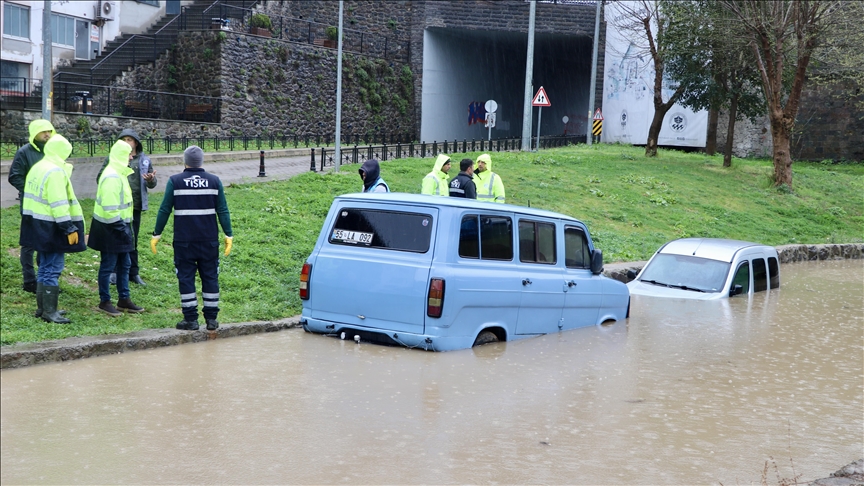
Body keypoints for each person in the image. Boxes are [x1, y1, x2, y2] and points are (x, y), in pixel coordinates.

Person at [150, 146, 233, 331]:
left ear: (185, 161)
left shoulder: (175, 181)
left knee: (186, 278)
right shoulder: (214, 181)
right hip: (209, 240)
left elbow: (165, 209)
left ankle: (191, 320)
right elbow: (223, 210)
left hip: (184, 241)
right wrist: (228, 234)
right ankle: (211, 320)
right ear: (201, 161)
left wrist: (157, 233)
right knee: (210, 277)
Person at [19, 134, 87, 323]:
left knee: (44, 267)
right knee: (52, 268)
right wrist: (68, 227)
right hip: (52, 226)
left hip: (36, 224)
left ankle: (43, 308)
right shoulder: (55, 171)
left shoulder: (38, 167)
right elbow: (58, 203)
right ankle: (50, 311)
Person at [88, 140, 145, 316]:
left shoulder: (119, 173)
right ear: (121, 155)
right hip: (111, 228)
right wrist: (122, 229)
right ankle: (105, 301)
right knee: (109, 265)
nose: (132, 156)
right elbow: (110, 208)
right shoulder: (112, 176)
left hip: (119, 226)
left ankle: (123, 299)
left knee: (124, 264)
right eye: (129, 153)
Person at [97, 129, 157, 286]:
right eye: (123, 139)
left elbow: (152, 183)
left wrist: (151, 180)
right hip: (117, 208)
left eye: (129, 139)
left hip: (134, 207)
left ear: (135, 142)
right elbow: (100, 179)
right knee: (118, 239)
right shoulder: (113, 160)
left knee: (132, 239)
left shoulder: (144, 159)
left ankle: (133, 272)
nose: (126, 143)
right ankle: (115, 272)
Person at [8, 119, 56, 293]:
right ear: (35, 133)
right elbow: (14, 176)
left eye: (50, 131)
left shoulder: (51, 151)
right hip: (30, 205)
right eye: (44, 131)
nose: (47, 135)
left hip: (48, 206)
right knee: (29, 243)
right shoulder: (25, 152)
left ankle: (44, 279)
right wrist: (31, 191)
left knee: (45, 241)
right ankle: (29, 280)